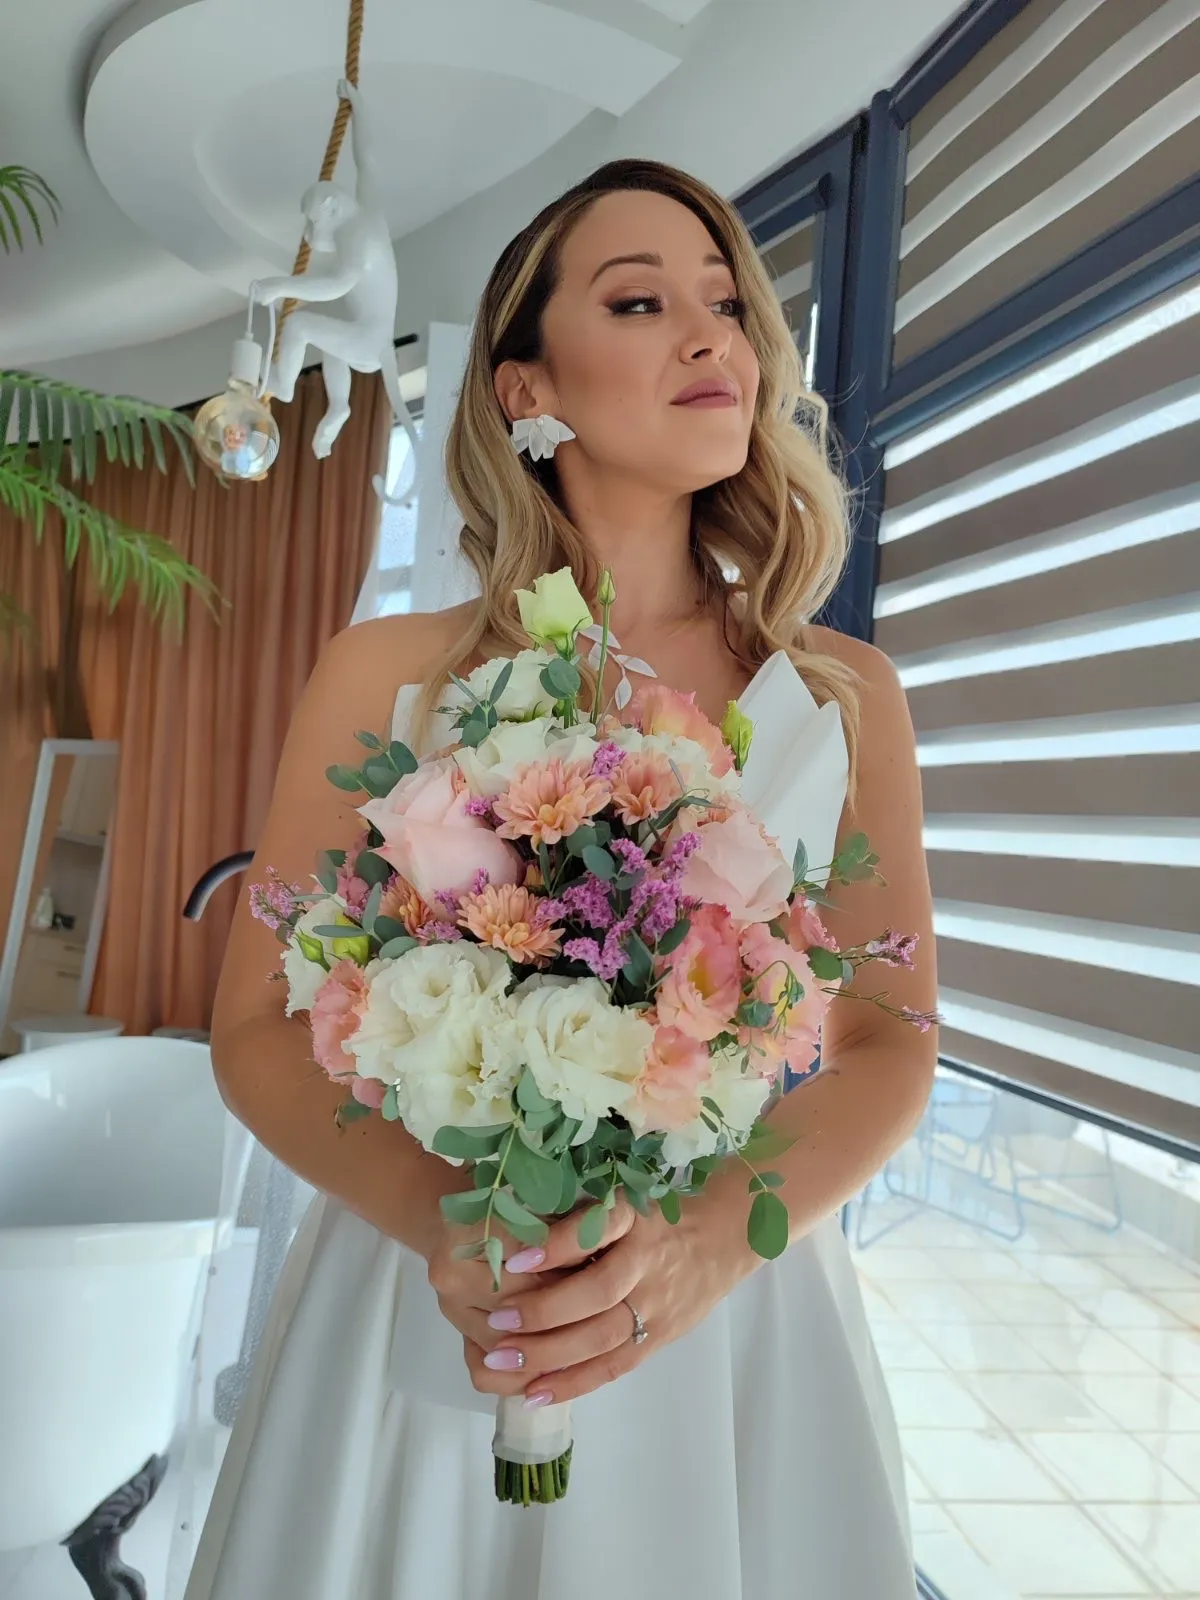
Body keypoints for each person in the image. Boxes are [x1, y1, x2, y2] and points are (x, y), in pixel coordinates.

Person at [185, 158, 937, 1600]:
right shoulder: (387, 674)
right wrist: (448, 1225)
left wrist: (705, 1246)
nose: (712, 334)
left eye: (727, 302)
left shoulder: (847, 696)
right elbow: (258, 1031)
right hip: (439, 1290)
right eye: (641, 302)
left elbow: (890, 1041)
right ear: (527, 388)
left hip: (736, 1320)